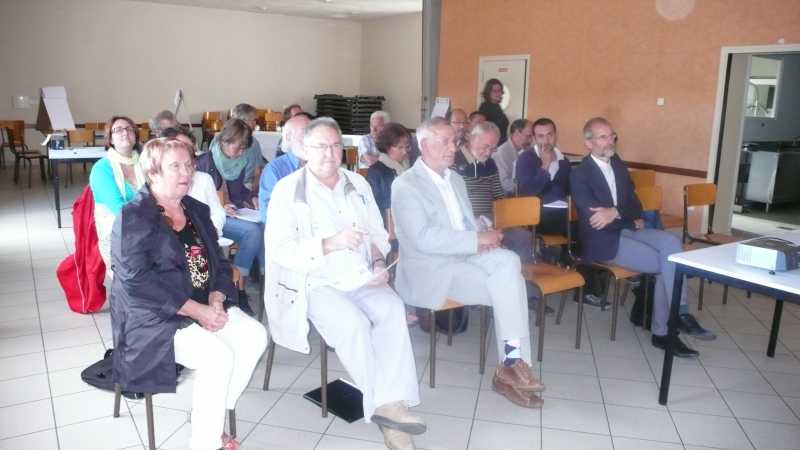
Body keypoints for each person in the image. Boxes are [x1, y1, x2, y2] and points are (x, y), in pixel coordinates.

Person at [265, 118, 424, 450]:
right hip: (315, 281)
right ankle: (388, 410)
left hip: (361, 275)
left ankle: (390, 405)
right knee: (354, 324)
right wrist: (329, 243)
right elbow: (280, 250)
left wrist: (378, 263)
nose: (330, 153)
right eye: (321, 146)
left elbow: (378, 233)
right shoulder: (287, 190)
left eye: (336, 145)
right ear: (305, 150)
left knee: (392, 308)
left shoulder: (357, 183)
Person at [110, 138, 267, 450]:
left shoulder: (196, 209)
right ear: (153, 173)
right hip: (157, 318)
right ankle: (206, 441)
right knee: (217, 357)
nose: (187, 172)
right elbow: (136, 281)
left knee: (255, 336)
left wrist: (217, 298)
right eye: (176, 166)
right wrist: (196, 310)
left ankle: (208, 414)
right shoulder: (134, 216)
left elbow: (218, 260)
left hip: (204, 303)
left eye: (189, 165)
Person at [392, 118, 545, 409]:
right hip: (432, 269)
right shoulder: (406, 185)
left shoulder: (456, 179)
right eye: (446, 141)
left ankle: (512, 366)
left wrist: (483, 233)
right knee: (510, 289)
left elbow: (461, 223)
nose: (454, 147)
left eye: (454, 141)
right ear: (424, 145)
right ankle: (512, 365)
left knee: (509, 263)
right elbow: (423, 238)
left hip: (464, 257)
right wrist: (477, 240)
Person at [571, 117, 715, 357]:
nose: (610, 140)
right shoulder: (580, 174)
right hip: (604, 241)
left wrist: (615, 212)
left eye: (612, 135)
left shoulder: (618, 164)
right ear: (588, 143)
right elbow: (596, 220)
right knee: (665, 264)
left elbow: (635, 205)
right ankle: (665, 331)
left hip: (626, 229)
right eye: (603, 137)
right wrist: (625, 216)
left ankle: (679, 313)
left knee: (671, 242)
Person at [196, 118, 263, 316]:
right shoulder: (204, 162)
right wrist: (221, 206)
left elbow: (238, 192)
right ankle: (238, 288)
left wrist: (251, 198)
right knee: (252, 232)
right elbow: (196, 201)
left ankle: (247, 279)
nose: (242, 152)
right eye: (239, 147)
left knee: (261, 226)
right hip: (210, 219)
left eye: (244, 148)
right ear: (226, 141)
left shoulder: (238, 162)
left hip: (229, 214)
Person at [89, 116, 146, 270]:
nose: (125, 133)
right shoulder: (102, 169)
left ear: (136, 136)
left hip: (147, 232)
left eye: (129, 129)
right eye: (118, 130)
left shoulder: (145, 162)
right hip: (118, 237)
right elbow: (119, 209)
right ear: (110, 139)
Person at [162, 127, 226, 240]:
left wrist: (212, 229)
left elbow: (218, 212)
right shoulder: (161, 184)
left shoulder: (204, 179)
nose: (185, 151)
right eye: (180, 146)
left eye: (189, 148)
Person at [516, 117, 571, 236]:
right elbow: (527, 192)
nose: (546, 141)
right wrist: (545, 166)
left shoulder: (564, 161)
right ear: (534, 139)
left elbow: (569, 191)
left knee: (585, 222)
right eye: (541, 136)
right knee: (577, 228)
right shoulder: (526, 159)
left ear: (556, 135)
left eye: (549, 135)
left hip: (562, 213)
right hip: (536, 215)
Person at [257, 114, 311, 224]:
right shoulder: (274, 170)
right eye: (305, 133)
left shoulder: (321, 165)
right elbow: (268, 214)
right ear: (288, 137)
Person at [451, 121, 504, 219]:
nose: (488, 153)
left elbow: (499, 196)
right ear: (472, 139)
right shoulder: (453, 161)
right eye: (485, 146)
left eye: (493, 148)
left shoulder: (490, 163)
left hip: (490, 219)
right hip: (464, 219)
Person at [366, 122, 411, 213]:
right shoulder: (376, 172)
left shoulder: (408, 167)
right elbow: (374, 207)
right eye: (400, 147)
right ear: (387, 147)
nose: (405, 151)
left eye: (407, 147)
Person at [493, 119, 533, 195]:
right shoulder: (501, 153)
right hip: (507, 198)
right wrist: (529, 186)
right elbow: (505, 184)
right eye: (528, 136)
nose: (531, 141)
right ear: (516, 133)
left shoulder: (528, 150)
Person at [478, 78, 509, 144]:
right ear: (488, 92)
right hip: (492, 143)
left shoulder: (497, 106)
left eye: (499, 91)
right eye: (494, 91)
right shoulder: (485, 107)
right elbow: (482, 129)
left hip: (501, 142)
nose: (498, 93)